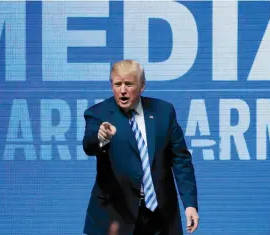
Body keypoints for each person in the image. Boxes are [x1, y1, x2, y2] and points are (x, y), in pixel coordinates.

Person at [82, 60, 199, 235]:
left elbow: (180, 158)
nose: (122, 90)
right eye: (117, 84)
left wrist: (190, 204)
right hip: (115, 214)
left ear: (142, 86)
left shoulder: (163, 111)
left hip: (159, 215)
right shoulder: (98, 113)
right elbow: (89, 146)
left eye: (129, 84)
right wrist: (101, 138)